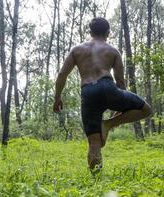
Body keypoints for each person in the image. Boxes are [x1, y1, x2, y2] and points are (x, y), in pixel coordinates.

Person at [53, 17, 151, 172]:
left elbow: (61, 75)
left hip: (88, 92)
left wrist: (57, 98)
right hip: (108, 87)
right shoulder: (112, 51)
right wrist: (119, 111)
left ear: (90, 32)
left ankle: (96, 181)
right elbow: (120, 83)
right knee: (146, 109)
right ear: (108, 33)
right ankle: (108, 124)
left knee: (94, 143)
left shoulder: (77, 50)